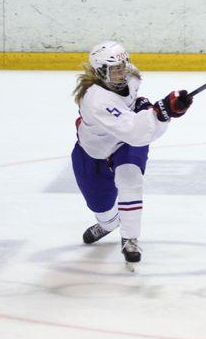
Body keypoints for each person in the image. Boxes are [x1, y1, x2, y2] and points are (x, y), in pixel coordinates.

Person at [72, 41, 192, 269]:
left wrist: (158, 109)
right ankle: (109, 223)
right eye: (114, 69)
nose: (121, 72)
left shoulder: (131, 77)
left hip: (125, 141)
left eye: (122, 66)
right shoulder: (96, 99)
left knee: (130, 178)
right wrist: (162, 112)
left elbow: (135, 125)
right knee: (102, 209)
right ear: (99, 72)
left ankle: (130, 240)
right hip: (93, 151)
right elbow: (136, 130)